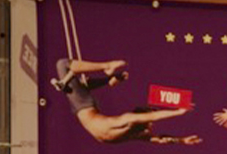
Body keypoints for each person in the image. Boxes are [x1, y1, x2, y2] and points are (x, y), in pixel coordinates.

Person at [54, 58, 200, 145]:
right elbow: (153, 116)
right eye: (149, 122)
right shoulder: (126, 119)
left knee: (70, 73)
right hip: (84, 105)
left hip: (83, 107)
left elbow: (160, 139)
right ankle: (107, 66)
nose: (151, 125)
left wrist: (181, 141)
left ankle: (109, 79)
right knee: (63, 65)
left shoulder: (134, 132)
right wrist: (178, 112)